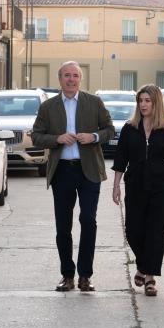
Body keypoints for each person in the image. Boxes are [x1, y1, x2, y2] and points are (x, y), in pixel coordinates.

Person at [32, 61, 115, 292]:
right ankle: (67, 275)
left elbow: (110, 129)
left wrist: (94, 137)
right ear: (60, 79)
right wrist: (57, 139)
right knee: (63, 226)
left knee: (88, 220)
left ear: (80, 79)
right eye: (66, 75)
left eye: (75, 75)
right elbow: (37, 135)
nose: (71, 79)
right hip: (62, 171)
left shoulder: (94, 102)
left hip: (89, 170)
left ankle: (85, 276)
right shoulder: (49, 106)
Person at [111, 84, 164, 296]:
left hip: (161, 187)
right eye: (140, 101)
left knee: (156, 232)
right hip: (135, 185)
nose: (143, 105)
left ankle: (150, 277)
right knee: (133, 231)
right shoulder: (129, 128)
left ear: (156, 103)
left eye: (147, 101)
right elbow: (120, 160)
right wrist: (116, 185)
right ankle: (143, 266)